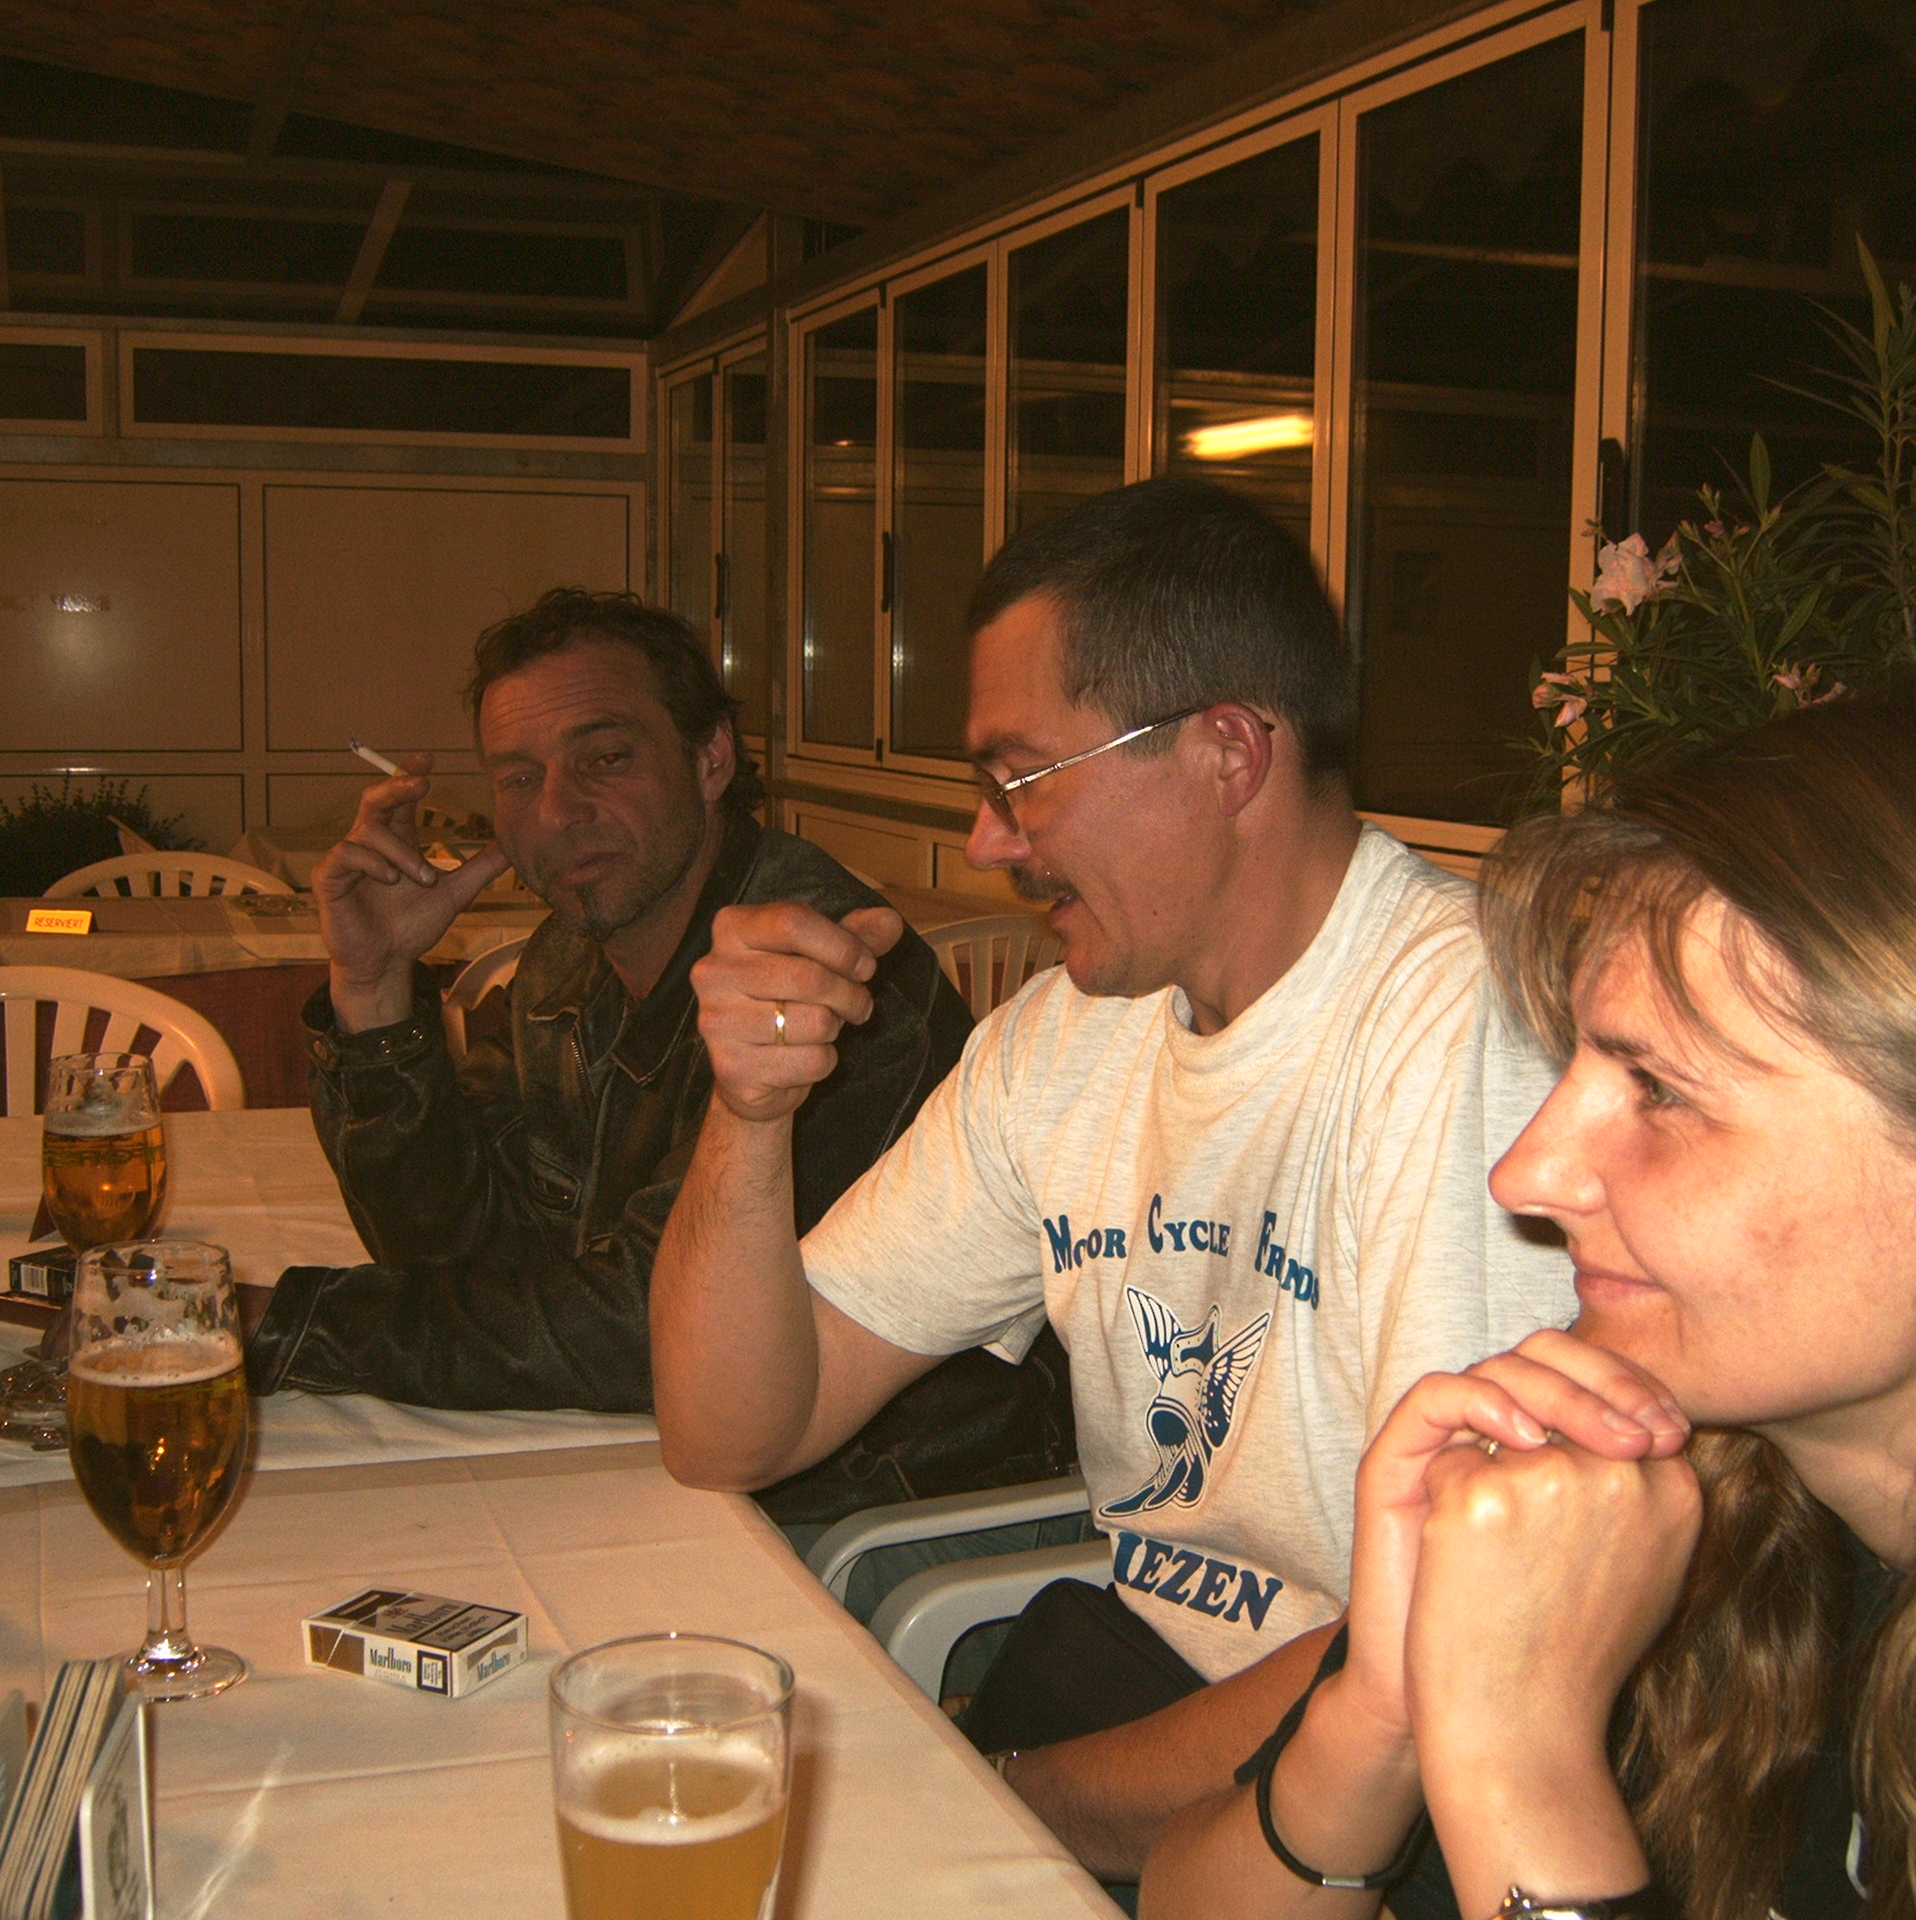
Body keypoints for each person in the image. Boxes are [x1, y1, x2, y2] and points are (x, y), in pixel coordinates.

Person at [1140, 666, 1916, 1920]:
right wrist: (1383, 1706)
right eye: (1577, 1064)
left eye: (1660, 1091)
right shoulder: (1644, 1488)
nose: (1525, 1173)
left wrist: (1520, 1761)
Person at [650, 477, 1579, 1881]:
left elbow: (1455, 1649)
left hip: (1390, 1812)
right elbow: (730, 1430)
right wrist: (749, 1109)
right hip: (1151, 1705)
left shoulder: (1465, 1033)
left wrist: (1001, 1805)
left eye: (1020, 779)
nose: (988, 841)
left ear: (1227, 752)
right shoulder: (1065, 1042)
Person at [243, 587, 1075, 1530]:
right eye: (517, 778)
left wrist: (287, 1323)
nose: (558, 811)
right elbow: (452, 1248)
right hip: (663, 1459)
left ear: (711, 759)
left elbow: (639, 1327)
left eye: (605, 759)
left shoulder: (825, 974)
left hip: (875, 1507)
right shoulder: (565, 961)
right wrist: (374, 994)